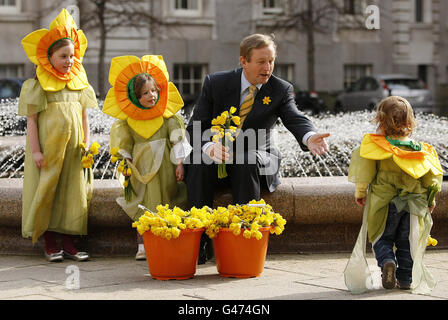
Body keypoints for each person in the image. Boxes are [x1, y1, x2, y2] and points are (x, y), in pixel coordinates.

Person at [185, 33, 330, 264]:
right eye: (261, 61)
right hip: (218, 154)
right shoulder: (216, 83)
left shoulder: (281, 89)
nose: (268, 67)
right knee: (199, 162)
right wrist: (209, 146)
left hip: (256, 156)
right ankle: (200, 242)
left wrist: (309, 136)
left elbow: (295, 117)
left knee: (246, 161)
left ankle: (245, 239)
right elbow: (194, 126)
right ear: (244, 61)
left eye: (271, 60)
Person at [18, 9, 98, 262]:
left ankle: (68, 241)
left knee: (72, 192)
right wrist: (36, 151)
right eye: (63, 56)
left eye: (72, 56)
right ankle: (50, 241)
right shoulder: (39, 85)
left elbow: (84, 117)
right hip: (49, 150)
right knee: (48, 191)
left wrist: (87, 143)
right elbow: (32, 121)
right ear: (48, 57)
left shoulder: (78, 83)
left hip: (74, 150)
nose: (69, 61)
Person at [344, 96, 443, 294]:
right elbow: (432, 178)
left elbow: (365, 172)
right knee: (406, 243)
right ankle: (405, 279)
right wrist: (430, 200)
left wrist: (360, 192)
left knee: (381, 237)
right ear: (410, 121)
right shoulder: (421, 149)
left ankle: (387, 260)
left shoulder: (376, 146)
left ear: (380, 121)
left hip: (384, 202)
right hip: (413, 203)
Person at [103, 55, 191, 260]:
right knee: (143, 203)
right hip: (141, 171)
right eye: (145, 93)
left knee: (167, 199)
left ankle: (169, 237)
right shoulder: (128, 122)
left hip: (165, 170)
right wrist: (126, 164)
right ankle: (143, 243)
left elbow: (177, 139)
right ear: (135, 97)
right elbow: (123, 144)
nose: (151, 96)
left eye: (153, 90)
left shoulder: (168, 116)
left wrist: (180, 163)